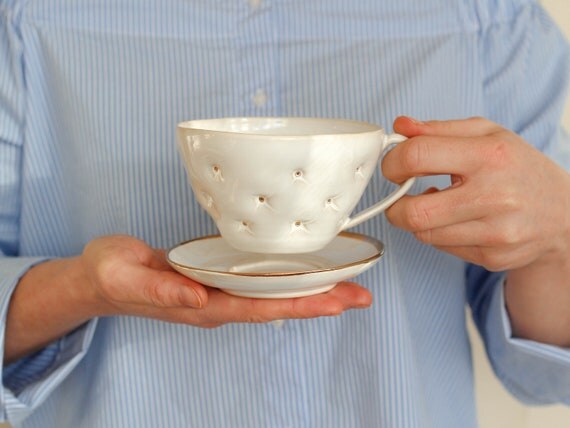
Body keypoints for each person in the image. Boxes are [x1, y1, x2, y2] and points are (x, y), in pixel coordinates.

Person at [1, 0, 569, 426]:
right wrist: (80, 288)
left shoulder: (490, 20)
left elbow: (543, 372)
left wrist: (559, 233)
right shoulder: (23, 20)